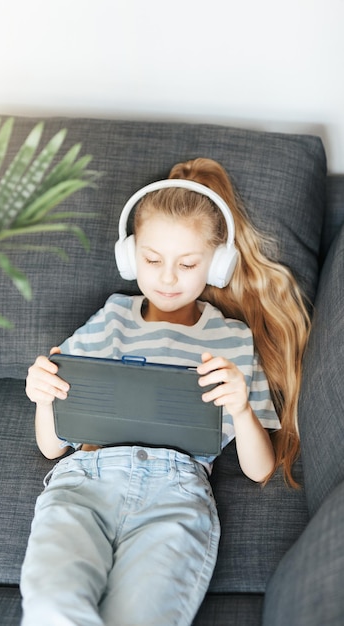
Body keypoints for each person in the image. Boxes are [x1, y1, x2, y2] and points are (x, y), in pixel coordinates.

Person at [20, 158, 311, 626]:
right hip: (84, 482)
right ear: (130, 255)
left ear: (217, 264)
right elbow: (52, 446)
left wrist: (239, 408)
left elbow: (260, 471)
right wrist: (44, 395)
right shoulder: (110, 316)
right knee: (54, 610)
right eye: (153, 260)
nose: (168, 278)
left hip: (174, 494)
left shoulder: (232, 339)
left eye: (188, 263)